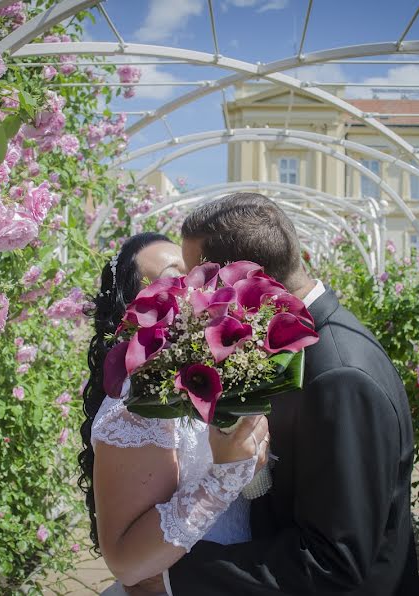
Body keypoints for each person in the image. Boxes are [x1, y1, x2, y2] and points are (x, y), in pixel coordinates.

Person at [155, 192, 419, 595]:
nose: (195, 299)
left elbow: (334, 562)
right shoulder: (302, 342)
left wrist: (174, 576)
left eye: (200, 281)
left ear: (244, 281)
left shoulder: (338, 376)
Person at [78, 232, 270, 596]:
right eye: (169, 278)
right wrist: (223, 478)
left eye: (191, 273)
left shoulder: (221, 375)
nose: (190, 286)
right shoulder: (135, 408)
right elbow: (127, 565)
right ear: (132, 312)